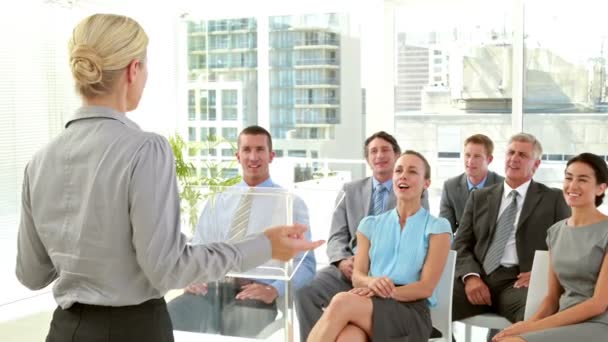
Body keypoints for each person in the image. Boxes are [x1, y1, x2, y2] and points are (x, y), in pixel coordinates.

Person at [14, 14, 322, 342]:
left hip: (65, 330)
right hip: (133, 331)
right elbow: (168, 268)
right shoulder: (146, 149)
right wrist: (267, 245)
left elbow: (31, 274)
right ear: (133, 70)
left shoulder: (39, 161)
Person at [167, 125, 316, 338]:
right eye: (246, 150)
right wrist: (193, 277)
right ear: (238, 156)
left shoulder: (291, 203)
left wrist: (274, 290)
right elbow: (199, 250)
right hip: (213, 288)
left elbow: (307, 264)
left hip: (257, 292)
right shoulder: (218, 201)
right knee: (168, 317)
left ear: (271, 155)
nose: (253, 156)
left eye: (259, 149)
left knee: (237, 323)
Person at [295, 131, 430, 341]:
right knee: (305, 293)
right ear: (367, 159)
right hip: (348, 269)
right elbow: (336, 236)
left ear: (396, 155)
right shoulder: (349, 190)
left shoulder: (412, 190)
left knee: (346, 311)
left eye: (385, 150)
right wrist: (341, 261)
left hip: (388, 277)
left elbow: (415, 240)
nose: (379, 155)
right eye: (373, 151)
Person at [452, 133, 570, 335]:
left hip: (519, 283)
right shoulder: (479, 197)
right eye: (511, 152)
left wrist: (542, 273)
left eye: (522, 155)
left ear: (536, 164)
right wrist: (471, 277)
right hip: (479, 277)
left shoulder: (554, 199)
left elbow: (567, 248)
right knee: (426, 306)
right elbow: (461, 243)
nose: (514, 158)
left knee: (536, 319)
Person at [493, 152, 608, 342]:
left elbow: (598, 304)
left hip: (599, 323)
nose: (572, 186)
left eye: (583, 180)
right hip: (562, 320)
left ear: (601, 188)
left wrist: (531, 327)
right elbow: (552, 298)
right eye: (569, 177)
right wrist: (525, 325)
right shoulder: (555, 232)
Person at [440, 134, 504, 233]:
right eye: (467, 155)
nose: (470, 161)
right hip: (462, 245)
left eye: (477, 156)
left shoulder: (503, 186)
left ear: (489, 160)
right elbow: (445, 229)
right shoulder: (450, 187)